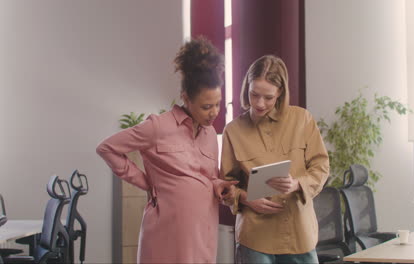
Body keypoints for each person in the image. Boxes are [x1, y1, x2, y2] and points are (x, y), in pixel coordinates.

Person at [96, 37, 237, 264]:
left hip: (202, 233)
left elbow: (209, 176)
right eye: (206, 106)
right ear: (186, 98)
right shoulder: (158, 126)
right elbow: (107, 148)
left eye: (218, 104)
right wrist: (146, 182)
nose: (214, 113)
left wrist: (219, 185)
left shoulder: (210, 134)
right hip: (166, 235)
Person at [220, 55, 330, 264]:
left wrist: (298, 183)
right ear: (247, 89)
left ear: (280, 93)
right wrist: (244, 198)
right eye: (254, 95)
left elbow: (321, 166)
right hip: (254, 239)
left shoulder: (302, 120)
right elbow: (225, 186)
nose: (260, 103)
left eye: (268, 97)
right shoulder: (233, 131)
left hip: (299, 234)